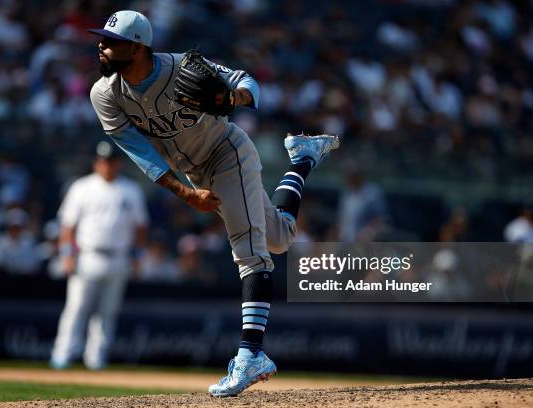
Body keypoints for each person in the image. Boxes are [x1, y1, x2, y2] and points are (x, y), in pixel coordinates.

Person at [86, 10, 339, 396]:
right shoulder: (105, 94)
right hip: (193, 173)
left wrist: (233, 96)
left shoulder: (179, 67)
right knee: (279, 237)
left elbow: (245, 81)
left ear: (137, 48)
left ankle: (251, 355)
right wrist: (185, 192)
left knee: (250, 254)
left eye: (111, 40)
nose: (102, 45)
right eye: (102, 39)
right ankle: (303, 158)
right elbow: (140, 153)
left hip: (227, 152)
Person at [50, 140, 149, 370]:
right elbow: (67, 227)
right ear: (96, 162)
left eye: (111, 161)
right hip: (87, 256)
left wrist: (137, 256)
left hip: (118, 257)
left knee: (107, 312)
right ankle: (62, 355)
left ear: (119, 163)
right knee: (76, 308)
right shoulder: (81, 187)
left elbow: (141, 228)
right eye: (103, 161)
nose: (107, 165)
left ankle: (96, 358)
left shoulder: (130, 190)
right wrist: (67, 254)